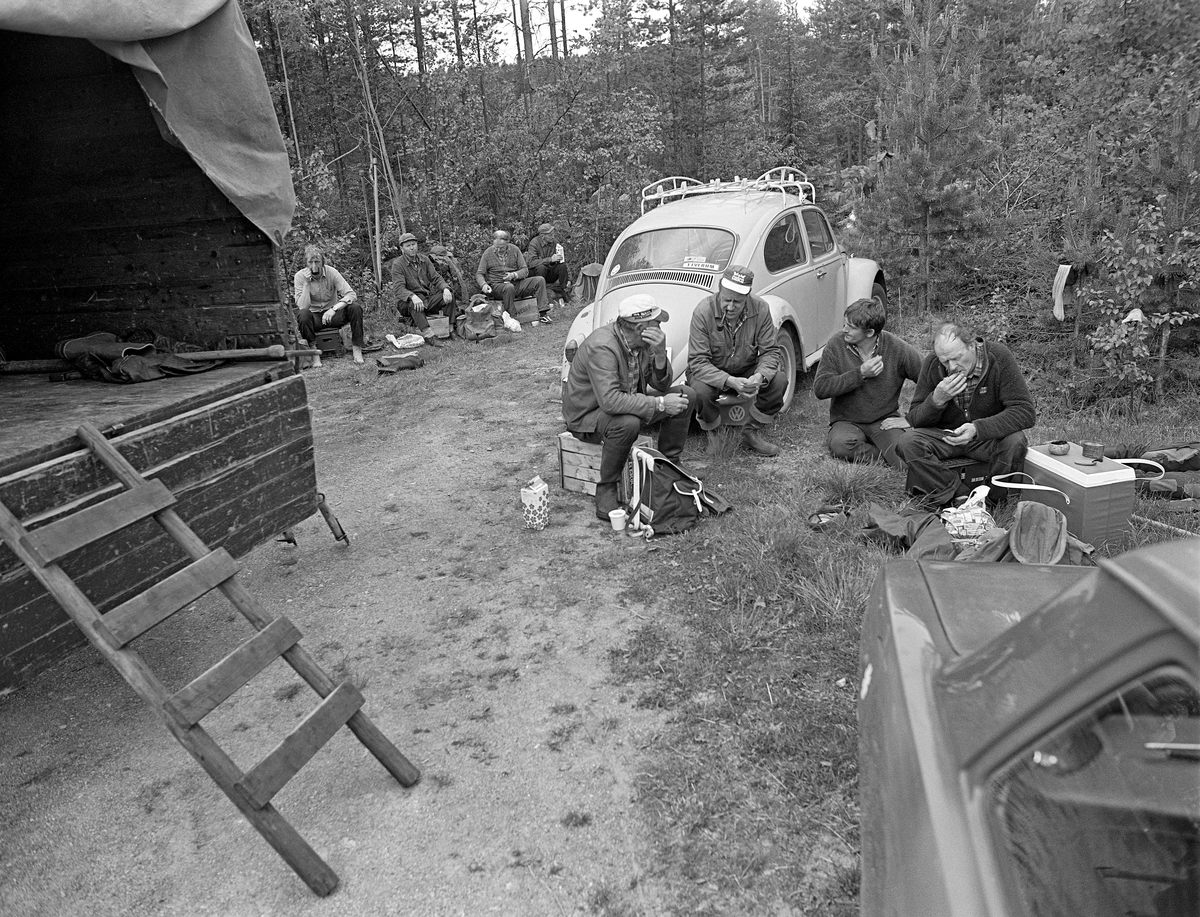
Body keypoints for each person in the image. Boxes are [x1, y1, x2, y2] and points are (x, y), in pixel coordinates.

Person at [562, 294, 696, 521]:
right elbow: (611, 401)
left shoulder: (641, 343)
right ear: (641, 327)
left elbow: (661, 384)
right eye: (657, 324)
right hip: (589, 415)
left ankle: (668, 465)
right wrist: (660, 403)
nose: (660, 328)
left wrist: (661, 354)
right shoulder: (602, 346)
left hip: (628, 401)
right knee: (627, 423)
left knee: (686, 395)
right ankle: (606, 487)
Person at [899, 321, 1036, 508]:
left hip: (984, 439)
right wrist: (936, 400)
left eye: (956, 358)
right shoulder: (932, 364)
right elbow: (915, 418)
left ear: (972, 345)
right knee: (908, 442)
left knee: (1015, 441)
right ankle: (960, 494)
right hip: (947, 437)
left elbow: (1024, 411)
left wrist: (978, 428)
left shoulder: (998, 357)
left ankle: (991, 501)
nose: (951, 366)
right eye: (945, 361)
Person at [686, 265, 785, 456]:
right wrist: (729, 381)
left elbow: (771, 352)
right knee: (700, 391)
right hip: (710, 370)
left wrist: (759, 377)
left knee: (778, 380)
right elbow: (697, 361)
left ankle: (750, 431)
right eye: (726, 300)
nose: (730, 307)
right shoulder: (703, 312)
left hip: (745, 368)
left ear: (747, 297)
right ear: (719, 290)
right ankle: (714, 433)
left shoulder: (761, 308)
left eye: (737, 302)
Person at [813, 297, 923, 469]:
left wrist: (912, 418)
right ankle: (884, 457)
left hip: (884, 420)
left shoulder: (896, 348)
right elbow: (821, 388)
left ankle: (893, 454)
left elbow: (928, 380)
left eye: (851, 327)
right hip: (847, 421)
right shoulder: (836, 344)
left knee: (904, 461)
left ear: (870, 332)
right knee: (840, 445)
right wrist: (860, 374)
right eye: (845, 324)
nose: (844, 330)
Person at [294, 244, 363, 365]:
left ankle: (357, 348)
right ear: (306, 263)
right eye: (310, 262)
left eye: (317, 262)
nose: (314, 266)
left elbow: (351, 295)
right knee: (302, 314)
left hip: (332, 315)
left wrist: (334, 309)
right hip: (314, 318)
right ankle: (315, 353)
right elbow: (303, 307)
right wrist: (306, 284)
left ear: (322, 262)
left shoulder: (331, 272)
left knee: (355, 307)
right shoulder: (300, 276)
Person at [475, 229, 551, 327]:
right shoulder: (488, 253)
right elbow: (479, 273)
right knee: (508, 287)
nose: (498, 250)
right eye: (496, 247)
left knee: (539, 280)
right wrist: (484, 284)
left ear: (507, 243)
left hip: (517, 283)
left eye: (501, 247)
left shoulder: (515, 250)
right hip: (498, 286)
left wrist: (513, 275)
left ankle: (543, 314)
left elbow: (525, 270)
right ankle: (512, 318)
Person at [389, 232, 451, 345]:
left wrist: (445, 288)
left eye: (413, 244)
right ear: (402, 249)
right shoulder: (398, 264)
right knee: (415, 305)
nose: (412, 247)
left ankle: (450, 329)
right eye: (408, 246)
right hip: (406, 302)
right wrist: (412, 296)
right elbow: (398, 289)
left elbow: (436, 277)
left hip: (425, 299)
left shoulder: (424, 260)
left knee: (448, 295)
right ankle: (429, 335)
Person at [526, 222, 572, 303]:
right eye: (550, 235)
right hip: (538, 274)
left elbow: (562, 260)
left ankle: (564, 291)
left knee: (562, 266)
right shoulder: (534, 243)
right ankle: (541, 294)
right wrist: (550, 259)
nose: (553, 236)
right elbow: (531, 263)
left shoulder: (554, 242)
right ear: (542, 236)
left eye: (553, 234)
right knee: (541, 267)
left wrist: (569, 279)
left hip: (550, 273)